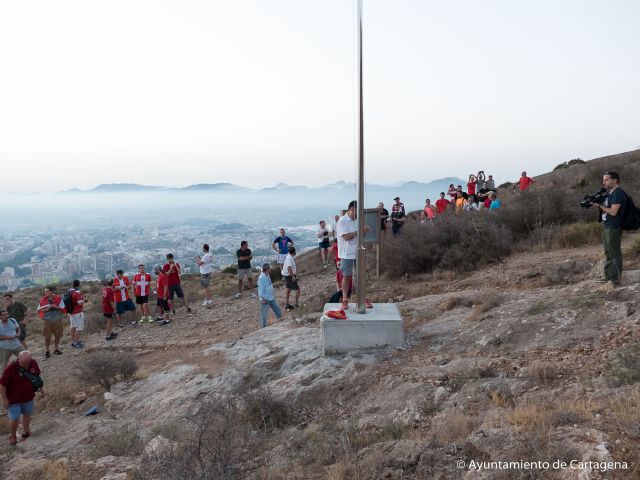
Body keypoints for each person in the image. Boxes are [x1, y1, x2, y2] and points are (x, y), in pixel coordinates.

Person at [0, 351, 44, 446]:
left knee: (27, 415)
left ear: (30, 359)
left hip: (28, 397)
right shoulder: (10, 368)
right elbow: (2, 385)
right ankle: (12, 436)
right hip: (13, 400)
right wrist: (4, 399)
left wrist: (41, 388)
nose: (25, 365)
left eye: (27, 363)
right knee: (15, 418)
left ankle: (25, 433)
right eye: (23, 363)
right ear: (18, 359)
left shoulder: (33, 362)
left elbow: (37, 376)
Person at [592, 171, 626, 285]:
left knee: (615, 253)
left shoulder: (618, 194)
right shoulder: (610, 193)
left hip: (614, 227)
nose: (604, 182)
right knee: (608, 253)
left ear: (615, 180)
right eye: (603, 180)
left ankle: (616, 279)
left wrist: (599, 206)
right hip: (607, 226)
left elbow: (613, 212)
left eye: (606, 180)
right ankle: (608, 277)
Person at [336, 200, 369, 309]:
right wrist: (359, 231)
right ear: (352, 209)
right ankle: (345, 299)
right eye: (357, 211)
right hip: (347, 254)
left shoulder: (357, 220)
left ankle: (362, 298)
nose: (358, 214)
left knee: (361, 276)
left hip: (358, 251)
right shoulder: (342, 221)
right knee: (346, 276)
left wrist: (364, 231)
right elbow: (346, 237)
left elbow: (358, 235)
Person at [36, 287, 65, 359]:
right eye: (45, 291)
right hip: (47, 321)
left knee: (58, 335)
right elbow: (39, 310)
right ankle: (47, 350)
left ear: (52, 291)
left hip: (57, 320)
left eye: (47, 291)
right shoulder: (43, 300)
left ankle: (56, 349)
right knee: (47, 336)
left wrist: (56, 306)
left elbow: (63, 308)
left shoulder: (58, 299)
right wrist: (46, 309)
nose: (46, 293)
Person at [257, 263, 282, 328]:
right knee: (264, 313)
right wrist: (262, 299)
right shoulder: (261, 278)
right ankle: (264, 326)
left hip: (271, 297)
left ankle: (280, 320)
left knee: (277, 310)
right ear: (267, 269)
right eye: (269, 268)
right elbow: (260, 290)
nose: (270, 269)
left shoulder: (267, 275)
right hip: (265, 298)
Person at [66, 280, 85, 349]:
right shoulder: (78, 292)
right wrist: (83, 300)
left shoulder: (69, 291)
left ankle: (73, 342)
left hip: (71, 312)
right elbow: (80, 303)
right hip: (77, 312)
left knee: (73, 327)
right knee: (79, 328)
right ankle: (76, 343)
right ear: (78, 284)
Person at [281, 246, 300, 311]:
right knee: (298, 289)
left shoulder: (289, 257)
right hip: (289, 276)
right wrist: (293, 276)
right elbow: (289, 268)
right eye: (295, 251)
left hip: (287, 275)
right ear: (294, 251)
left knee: (288, 289)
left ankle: (287, 304)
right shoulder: (289, 258)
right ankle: (296, 304)